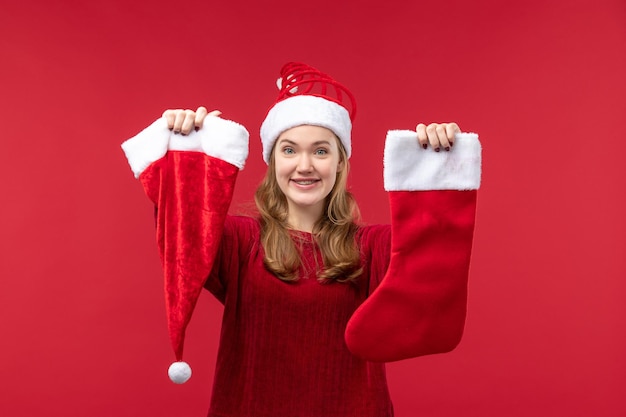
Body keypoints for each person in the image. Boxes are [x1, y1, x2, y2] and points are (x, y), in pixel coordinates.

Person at [121, 62, 481, 417]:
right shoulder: (239, 241)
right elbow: (181, 225)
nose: (304, 165)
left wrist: (440, 164)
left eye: (321, 151)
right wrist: (186, 144)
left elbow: (435, 255)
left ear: (340, 162)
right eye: (289, 150)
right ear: (272, 160)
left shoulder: (373, 247)